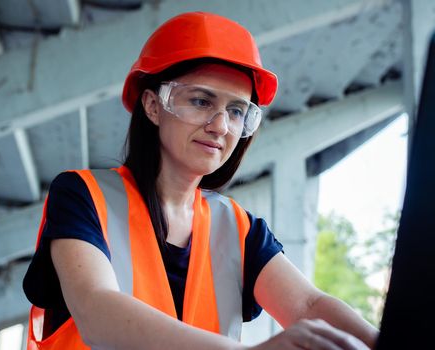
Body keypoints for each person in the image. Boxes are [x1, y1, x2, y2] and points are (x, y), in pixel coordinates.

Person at [23, 11, 378, 350]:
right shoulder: (83, 196)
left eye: (237, 111)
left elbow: (307, 305)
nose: (220, 126)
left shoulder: (240, 231)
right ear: (152, 105)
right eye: (200, 101)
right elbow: (96, 310)